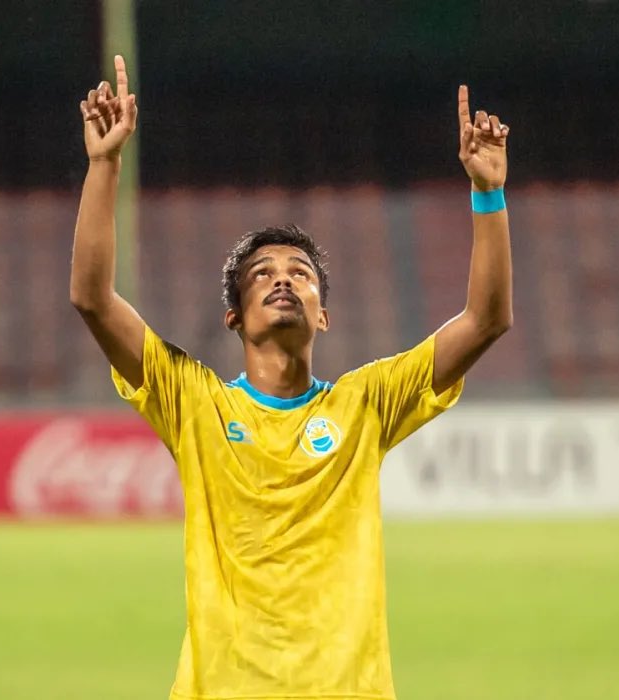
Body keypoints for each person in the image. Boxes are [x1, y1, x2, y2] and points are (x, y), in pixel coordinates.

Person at [70, 56, 512, 700]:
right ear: (234, 316)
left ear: (323, 314)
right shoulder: (195, 403)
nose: (283, 278)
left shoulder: (366, 404)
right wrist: (104, 164)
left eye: (301, 272)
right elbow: (91, 297)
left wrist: (488, 192)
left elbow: (486, 319)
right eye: (262, 273)